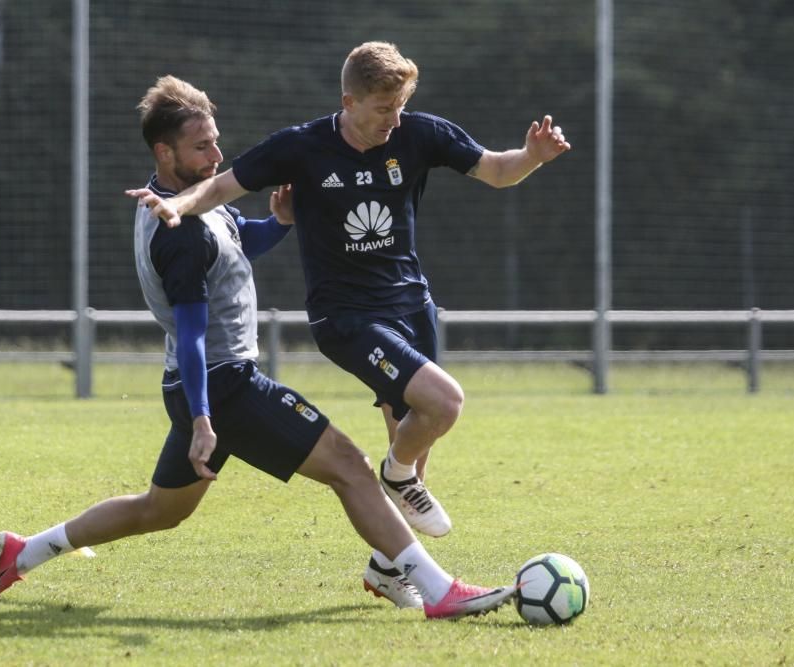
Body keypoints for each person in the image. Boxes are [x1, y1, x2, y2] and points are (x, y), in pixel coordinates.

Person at [0, 75, 516, 620]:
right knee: (349, 466)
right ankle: (439, 590)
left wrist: (278, 223)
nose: (217, 154)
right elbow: (190, 333)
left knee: (159, 510)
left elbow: (237, 243)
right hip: (222, 386)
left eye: (215, 140)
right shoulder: (179, 232)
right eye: (201, 146)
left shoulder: (180, 203)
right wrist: (205, 418)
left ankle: (23, 553)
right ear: (165, 152)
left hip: (194, 388)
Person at [126, 42, 570, 608]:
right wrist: (179, 207)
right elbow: (222, 186)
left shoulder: (421, 133)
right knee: (444, 405)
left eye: (402, 105)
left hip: (411, 304)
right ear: (349, 100)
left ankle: (390, 564)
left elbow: (498, 171)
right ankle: (401, 482)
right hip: (348, 315)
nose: (395, 119)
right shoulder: (302, 147)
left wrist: (532, 156)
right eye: (383, 107)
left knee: (416, 427)